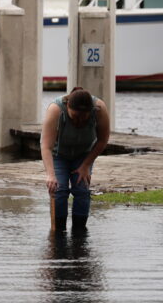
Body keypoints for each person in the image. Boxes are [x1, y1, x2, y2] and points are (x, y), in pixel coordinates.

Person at [40, 87, 110, 234]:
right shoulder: (56, 110)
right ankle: (59, 232)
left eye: (83, 118)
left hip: (84, 154)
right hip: (58, 154)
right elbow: (46, 146)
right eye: (74, 117)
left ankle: (79, 232)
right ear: (67, 107)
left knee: (82, 189)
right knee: (59, 189)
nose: (78, 121)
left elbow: (103, 140)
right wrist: (50, 175)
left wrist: (86, 165)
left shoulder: (99, 109)